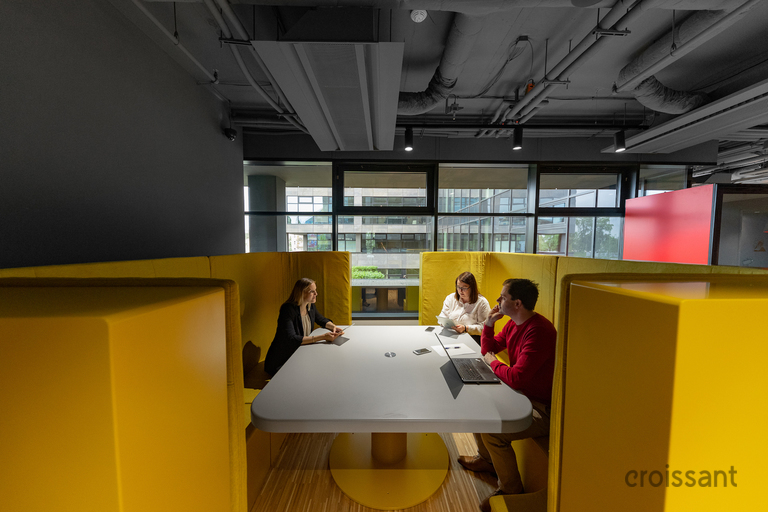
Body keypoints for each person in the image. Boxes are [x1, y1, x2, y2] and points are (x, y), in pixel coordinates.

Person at [457, 278, 557, 512]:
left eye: (503, 297)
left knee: (494, 432)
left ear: (518, 303)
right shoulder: (513, 323)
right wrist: (490, 323)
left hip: (541, 408)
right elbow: (487, 349)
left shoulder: (539, 331)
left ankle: (511, 490)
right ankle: (488, 460)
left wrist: (492, 362)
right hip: (521, 394)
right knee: (477, 404)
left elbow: (516, 377)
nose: (497, 300)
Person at [264, 278, 343, 376]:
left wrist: (333, 327)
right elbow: (291, 339)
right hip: (283, 359)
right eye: (312, 291)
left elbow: (321, 320)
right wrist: (323, 337)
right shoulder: (287, 309)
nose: (316, 294)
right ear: (301, 293)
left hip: (300, 353)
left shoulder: (310, 306)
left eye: (315, 290)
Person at [439, 271, 491, 341]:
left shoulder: (482, 302)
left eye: (464, 288)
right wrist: (444, 322)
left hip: (472, 338)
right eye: (458, 287)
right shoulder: (450, 298)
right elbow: (443, 316)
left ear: (472, 288)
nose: (460, 291)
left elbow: (485, 328)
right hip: (451, 335)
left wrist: (466, 328)